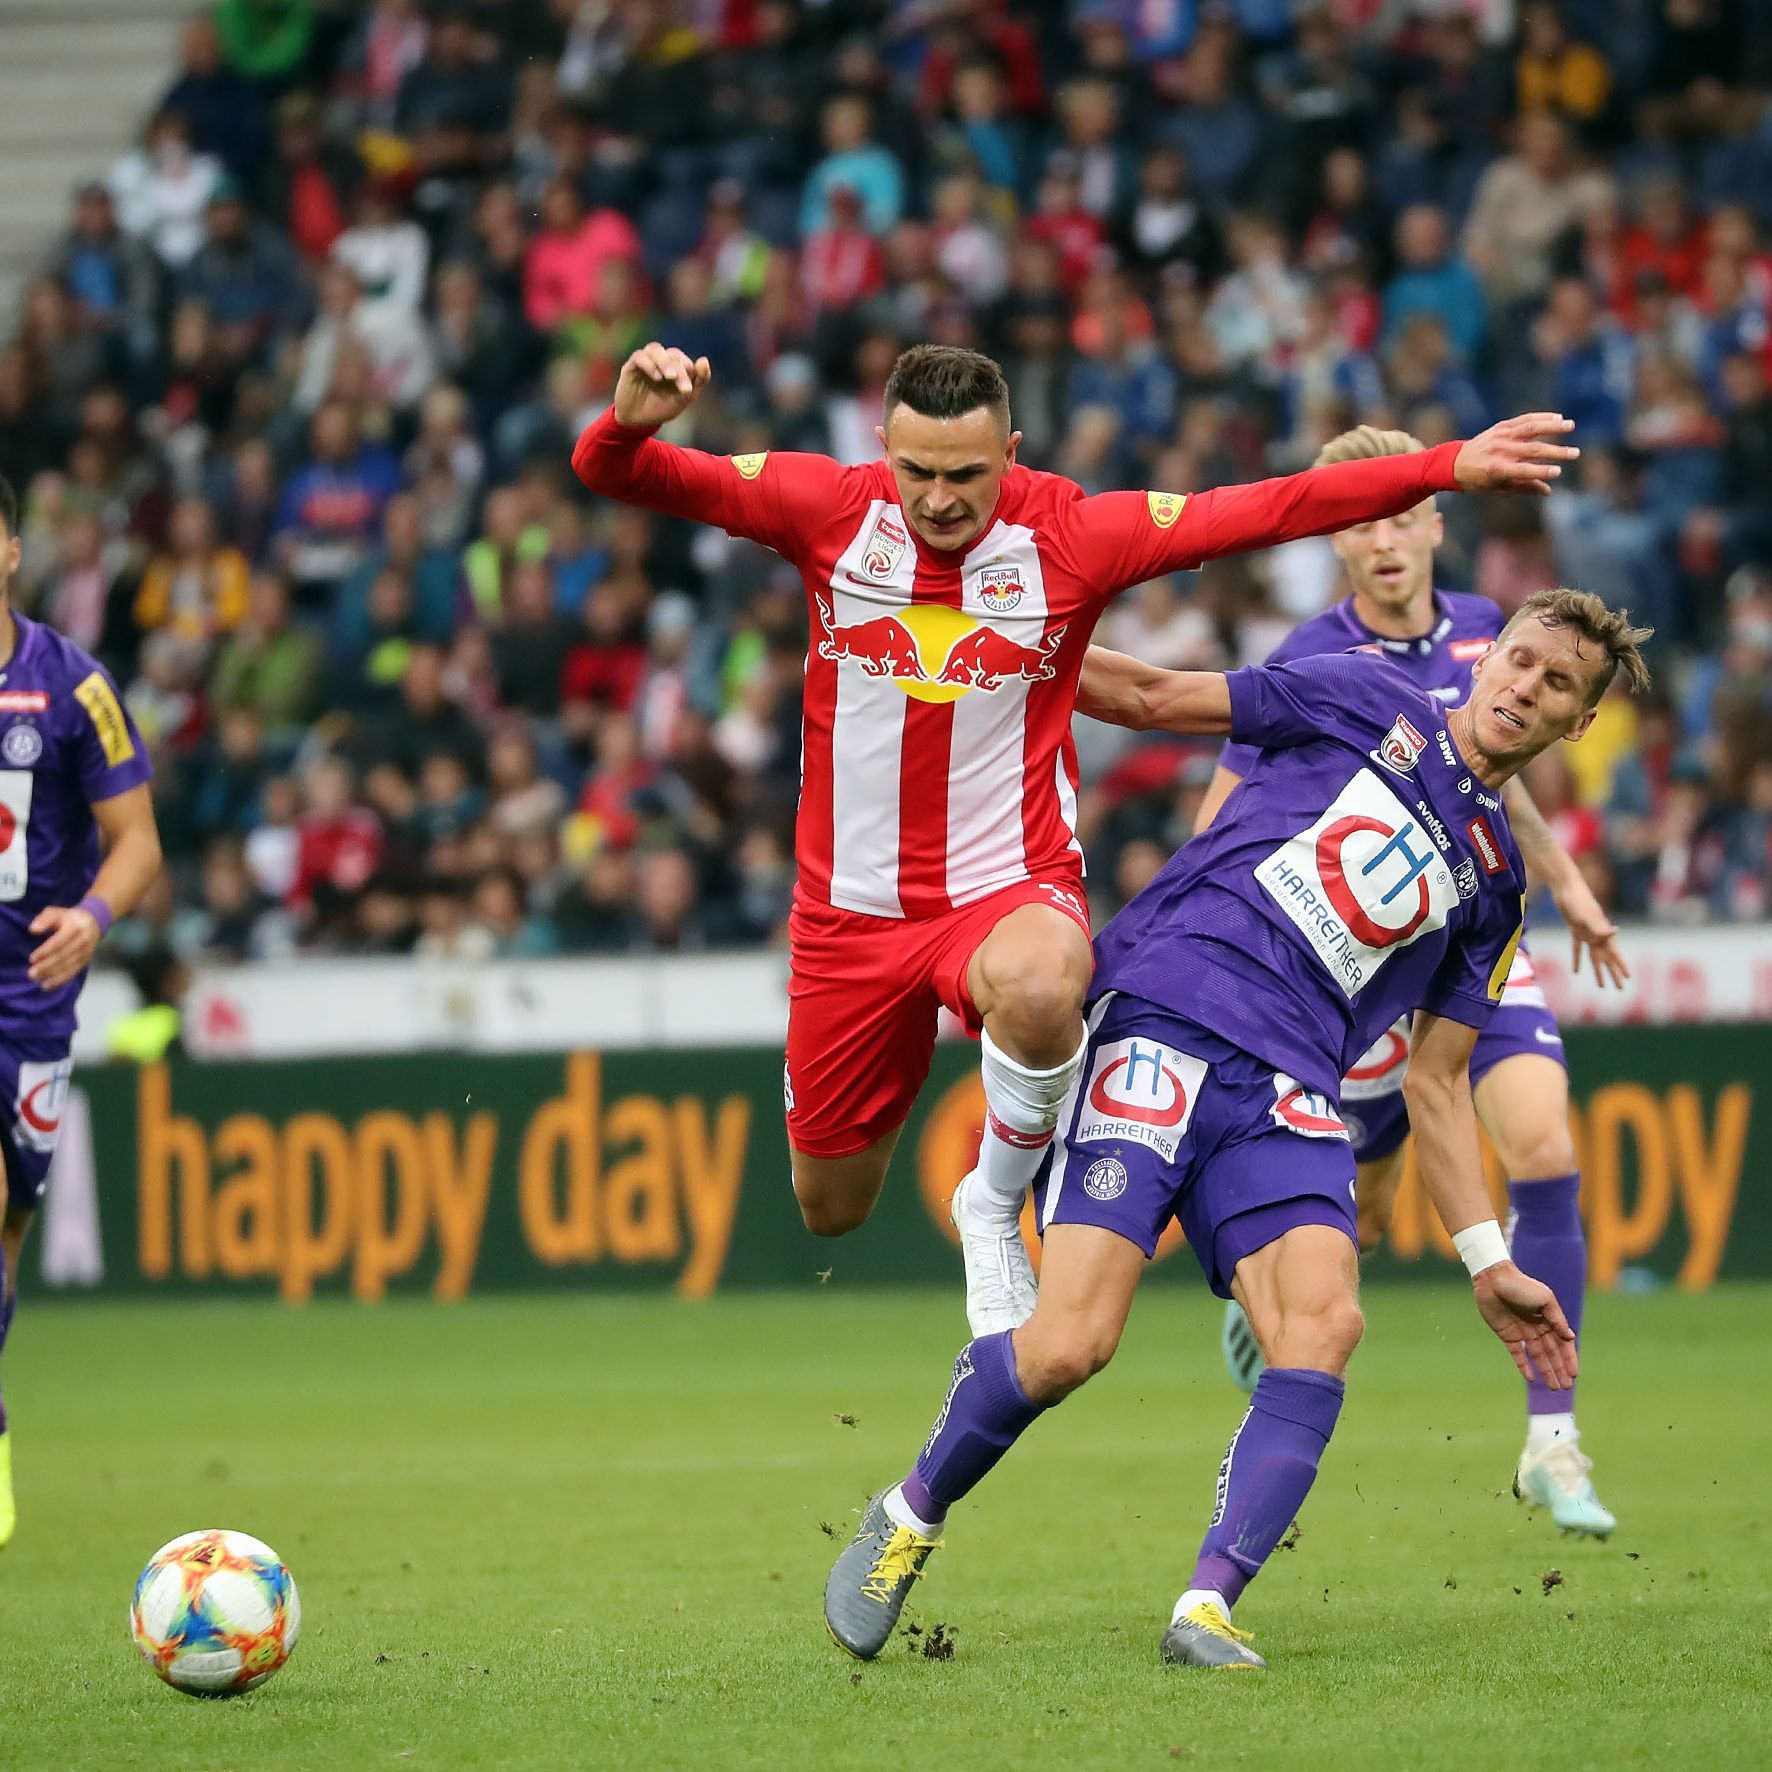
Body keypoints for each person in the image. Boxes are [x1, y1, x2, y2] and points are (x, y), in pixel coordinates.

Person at [571, 340, 1581, 1343]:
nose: (937, 498)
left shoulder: (1073, 534)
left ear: (1009, 453)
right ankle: (947, 1164)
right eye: (916, 471)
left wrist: (1443, 464)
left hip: (1004, 886)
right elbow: (608, 469)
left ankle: (992, 1201)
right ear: (882, 449)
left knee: (1051, 975)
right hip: (847, 914)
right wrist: (628, 419)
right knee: (830, 1204)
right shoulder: (825, 507)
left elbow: (1265, 507)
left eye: (965, 474)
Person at [824, 588, 1651, 1670]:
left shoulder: (1493, 884)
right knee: (1070, 1343)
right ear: (1487, 655)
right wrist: (989, 650)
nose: (1524, 687)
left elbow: (1439, 1083)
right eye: (1520, 659)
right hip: (1161, 1013)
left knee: (1322, 1323)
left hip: (1289, 1087)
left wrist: (1484, 1258)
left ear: (1577, 722)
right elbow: (1159, 694)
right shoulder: (1363, 694)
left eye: (1555, 684)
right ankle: (907, 1511)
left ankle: (1205, 1603)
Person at [1184, 426, 1620, 1537]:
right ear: (1336, 540)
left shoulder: (1493, 634)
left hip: (1475, 933)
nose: (1382, 540)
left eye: (1398, 515)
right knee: (1365, 1219)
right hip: (1359, 960)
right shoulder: (1311, 652)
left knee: (1543, 1148)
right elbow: (1233, 789)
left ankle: (1551, 1440)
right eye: (1358, 520)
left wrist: (1562, 882)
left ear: (1433, 522)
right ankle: (1266, 1332)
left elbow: (1502, 782)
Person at [0, 473, 164, 1546]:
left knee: (7, 1233)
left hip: (33, 1001)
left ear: (12, 548)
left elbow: (139, 841)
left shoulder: (72, 685)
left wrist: (95, 918)